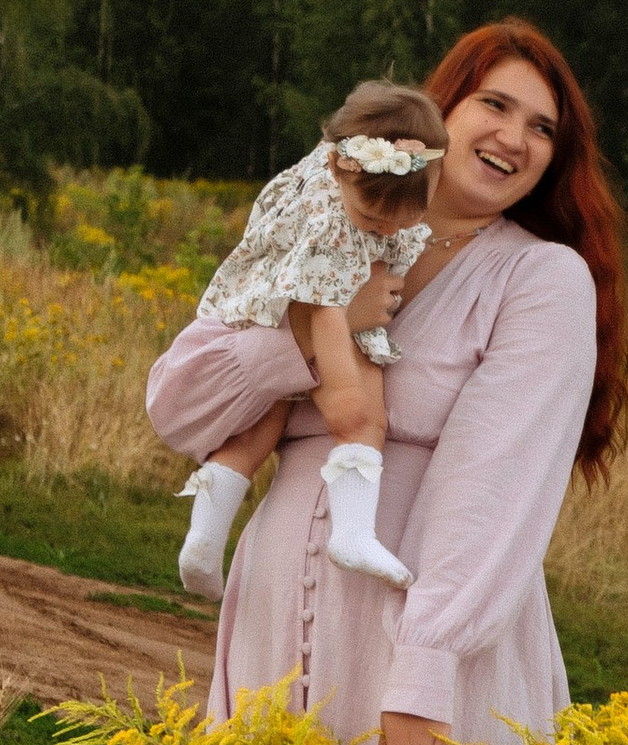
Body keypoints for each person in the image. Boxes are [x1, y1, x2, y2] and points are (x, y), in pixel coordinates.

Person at [146, 22, 628, 745]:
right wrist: (320, 325)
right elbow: (180, 400)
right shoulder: (328, 223)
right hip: (280, 612)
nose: (515, 137)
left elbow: (490, 484)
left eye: (543, 128)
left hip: (430, 630)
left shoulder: (538, 280)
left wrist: (424, 673)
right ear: (440, 109)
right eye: (494, 105)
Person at [175, 80, 450, 599]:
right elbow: (327, 313)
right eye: (375, 218)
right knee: (365, 415)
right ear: (338, 168)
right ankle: (353, 533)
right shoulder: (333, 226)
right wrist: (346, 397)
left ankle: (204, 542)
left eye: (406, 219)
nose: (389, 230)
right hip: (314, 307)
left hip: (269, 308)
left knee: (261, 427)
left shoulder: (338, 172)